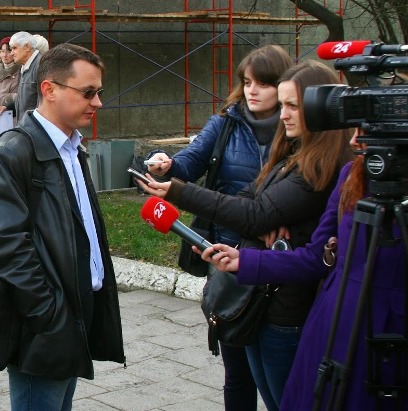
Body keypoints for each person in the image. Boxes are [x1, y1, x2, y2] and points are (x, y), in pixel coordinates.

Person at [139, 60, 354, 411]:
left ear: (321, 107)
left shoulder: (322, 166)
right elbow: (250, 201)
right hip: (260, 296)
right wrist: (259, 219)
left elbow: (255, 214)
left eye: (292, 105)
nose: (283, 114)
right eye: (282, 104)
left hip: (285, 309)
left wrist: (178, 192)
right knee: (245, 383)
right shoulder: (292, 152)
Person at [201, 128, 406, 410]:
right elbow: (314, 258)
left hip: (393, 327)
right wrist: (244, 261)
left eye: (367, 133)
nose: (353, 141)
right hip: (337, 320)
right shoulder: (351, 175)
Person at [144, 44, 292, 411]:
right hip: (228, 255)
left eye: (263, 83)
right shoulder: (227, 121)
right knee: (238, 371)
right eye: (247, 82)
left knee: (278, 373)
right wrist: (167, 166)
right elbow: (190, 163)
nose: (252, 91)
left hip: (280, 261)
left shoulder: (298, 127)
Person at [0, 43, 125, 410]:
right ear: (49, 89)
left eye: (99, 92)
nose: (98, 103)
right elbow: (5, 245)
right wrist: (48, 312)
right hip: (44, 323)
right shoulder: (13, 151)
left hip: (75, 312)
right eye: (88, 93)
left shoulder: (73, 147)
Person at [9, 31, 41, 119]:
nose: (11, 53)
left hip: (34, 129)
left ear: (27, 47)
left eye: (14, 48)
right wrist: (9, 108)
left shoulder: (41, 65)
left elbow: (43, 106)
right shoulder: (25, 66)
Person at [0, 36, 20, 114]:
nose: (4, 55)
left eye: (8, 51)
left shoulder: (22, 72)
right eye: (2, 51)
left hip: (11, 119)